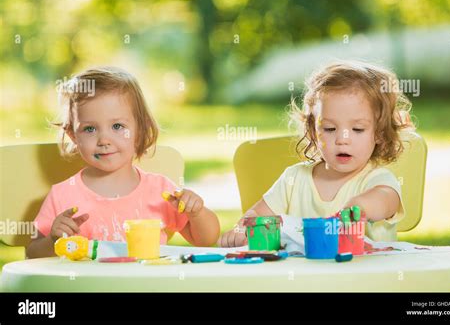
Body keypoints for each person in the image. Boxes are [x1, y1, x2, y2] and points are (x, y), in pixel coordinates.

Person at [27, 67, 220, 258]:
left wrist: (197, 213)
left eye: (117, 126)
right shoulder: (62, 195)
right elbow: (32, 253)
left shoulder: (161, 190)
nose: (104, 140)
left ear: (140, 129)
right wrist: (53, 240)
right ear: (73, 135)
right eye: (89, 129)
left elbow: (206, 239)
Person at [218, 60, 414, 247]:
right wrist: (240, 229)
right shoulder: (293, 179)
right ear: (313, 131)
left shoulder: (378, 180)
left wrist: (361, 207)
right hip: (304, 278)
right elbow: (256, 216)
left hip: (366, 278)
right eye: (329, 129)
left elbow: (385, 201)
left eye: (357, 129)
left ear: (379, 133)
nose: (342, 139)